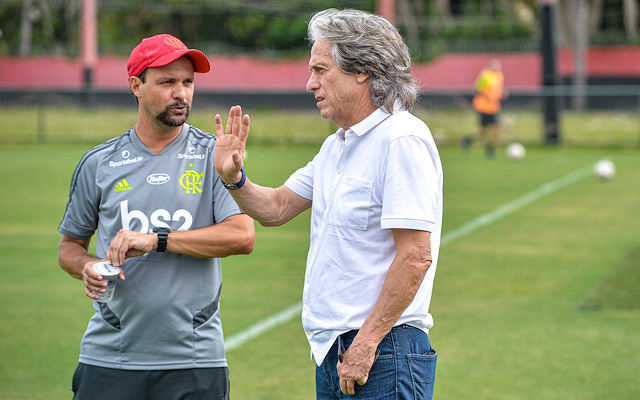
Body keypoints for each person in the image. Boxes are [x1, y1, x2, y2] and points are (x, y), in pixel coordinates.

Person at [214, 8, 442, 399]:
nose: (310, 84)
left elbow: (416, 255)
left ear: (362, 70)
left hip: (382, 351)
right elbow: (277, 207)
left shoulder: (401, 138)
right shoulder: (338, 145)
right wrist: (233, 178)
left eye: (321, 70)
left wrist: (366, 344)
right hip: (336, 353)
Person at [57, 34, 255, 400]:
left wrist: (157, 239)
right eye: (167, 82)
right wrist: (85, 265)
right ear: (136, 86)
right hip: (109, 357)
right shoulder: (99, 163)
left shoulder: (215, 156)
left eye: (188, 82)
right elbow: (69, 246)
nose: (181, 93)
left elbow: (243, 236)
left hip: (195, 360)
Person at [463, 58, 506, 158]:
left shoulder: (499, 75)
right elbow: (477, 89)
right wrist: (489, 97)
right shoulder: (485, 76)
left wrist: (501, 94)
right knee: (483, 133)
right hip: (484, 107)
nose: (498, 67)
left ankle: (490, 150)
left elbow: (497, 90)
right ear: (490, 65)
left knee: (495, 129)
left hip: (494, 107)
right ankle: (468, 141)